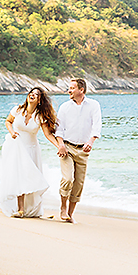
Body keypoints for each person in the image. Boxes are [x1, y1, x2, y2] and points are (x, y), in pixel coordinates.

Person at [0, 87, 59, 218]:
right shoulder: (17, 110)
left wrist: (59, 146)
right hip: (15, 147)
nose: (33, 95)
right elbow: (8, 121)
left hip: (31, 149)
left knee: (28, 178)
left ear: (40, 100)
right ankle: (20, 210)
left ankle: (31, 209)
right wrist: (12, 132)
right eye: (32, 93)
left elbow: (48, 134)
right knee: (18, 176)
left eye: (37, 94)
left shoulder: (40, 116)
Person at [54, 78, 101, 223]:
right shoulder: (64, 107)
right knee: (68, 179)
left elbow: (96, 125)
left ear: (81, 90)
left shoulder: (93, 105)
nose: (69, 91)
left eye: (72, 88)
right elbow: (59, 129)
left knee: (79, 183)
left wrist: (91, 141)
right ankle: (62, 208)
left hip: (83, 150)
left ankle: (70, 213)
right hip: (66, 148)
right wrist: (60, 145)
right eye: (69, 88)